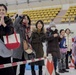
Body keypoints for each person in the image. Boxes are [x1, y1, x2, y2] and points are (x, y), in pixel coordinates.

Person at [0, 4, 15, 75]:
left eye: (3, 10)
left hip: (5, 48)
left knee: (8, 69)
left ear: (6, 11)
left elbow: (11, 32)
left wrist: (4, 24)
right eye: (0, 10)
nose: (1, 11)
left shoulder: (8, 20)